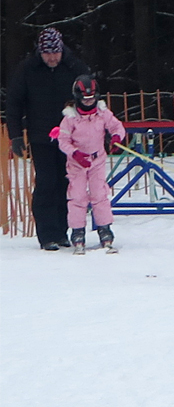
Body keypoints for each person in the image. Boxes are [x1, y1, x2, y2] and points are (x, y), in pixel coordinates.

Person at [6, 27, 90, 250]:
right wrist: (15, 135)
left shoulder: (74, 68)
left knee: (67, 183)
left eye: (55, 53)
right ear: (39, 53)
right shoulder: (27, 70)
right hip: (41, 136)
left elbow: (90, 99)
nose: (52, 58)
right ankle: (47, 235)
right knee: (46, 182)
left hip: (71, 139)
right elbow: (14, 103)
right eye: (47, 53)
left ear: (62, 50)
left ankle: (63, 232)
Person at [56, 75, 125, 254]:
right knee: (77, 196)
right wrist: (74, 153)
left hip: (97, 159)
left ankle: (105, 229)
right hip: (77, 162)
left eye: (92, 98)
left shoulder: (102, 113)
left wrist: (116, 138)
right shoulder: (70, 118)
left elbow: (117, 127)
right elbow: (62, 140)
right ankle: (78, 231)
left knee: (99, 194)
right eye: (85, 99)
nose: (89, 102)